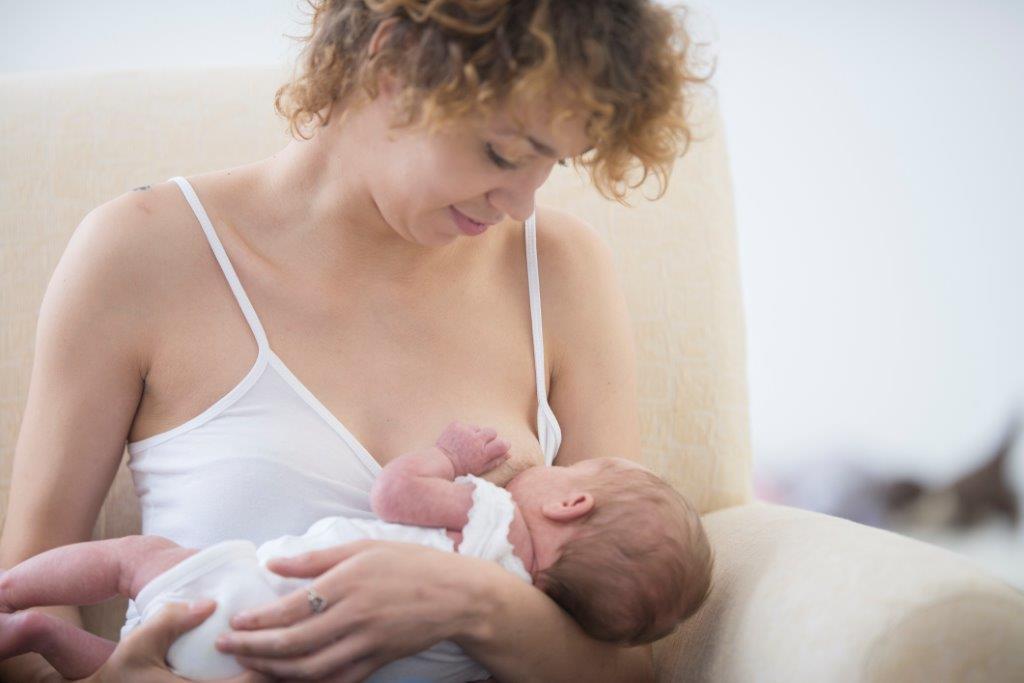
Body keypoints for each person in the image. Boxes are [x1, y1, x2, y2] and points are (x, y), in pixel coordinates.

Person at [0, 0, 710, 680]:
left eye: (555, 162)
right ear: (392, 62)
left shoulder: (560, 268)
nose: (522, 203)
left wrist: (473, 603)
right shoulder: (141, 251)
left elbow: (625, 666)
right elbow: (18, 597)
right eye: (502, 153)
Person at [0, 421, 713, 681]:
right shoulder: (502, 645)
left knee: (135, 559)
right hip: (263, 667)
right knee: (119, 660)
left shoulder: (490, 516)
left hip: (233, 593)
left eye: (573, 468)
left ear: (569, 503)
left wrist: (447, 456)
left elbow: (395, 494)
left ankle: (11, 597)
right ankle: (37, 633)